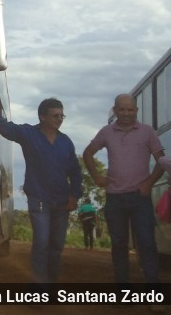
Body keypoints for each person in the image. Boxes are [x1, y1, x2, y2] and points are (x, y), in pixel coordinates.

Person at [0, 92, 82, 284]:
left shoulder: (66, 142)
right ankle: (38, 290)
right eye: (55, 115)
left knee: (56, 246)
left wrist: (74, 195)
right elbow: (3, 127)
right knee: (41, 243)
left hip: (62, 202)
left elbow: (75, 171)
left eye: (62, 116)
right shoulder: (29, 134)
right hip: (39, 199)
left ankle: (51, 284)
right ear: (43, 116)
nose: (59, 119)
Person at [83, 93, 165, 286]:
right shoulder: (106, 132)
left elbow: (161, 161)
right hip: (115, 199)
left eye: (130, 109)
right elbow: (88, 153)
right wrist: (96, 177)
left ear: (136, 111)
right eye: (122, 109)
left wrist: (149, 183)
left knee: (146, 243)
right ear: (115, 111)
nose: (126, 113)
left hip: (140, 198)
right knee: (119, 246)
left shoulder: (147, 132)